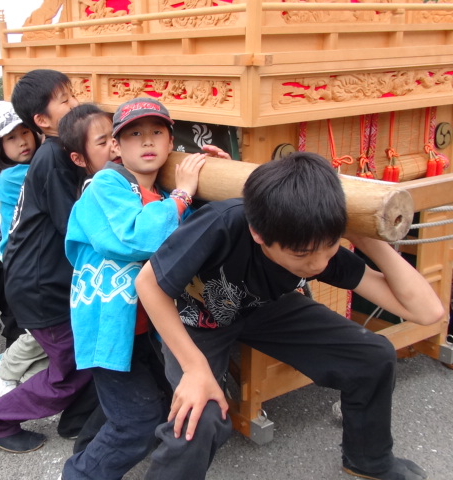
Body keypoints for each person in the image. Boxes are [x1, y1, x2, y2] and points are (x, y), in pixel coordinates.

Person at [134, 152, 445, 480]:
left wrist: (363, 235)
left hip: (263, 309)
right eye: (302, 255)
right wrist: (195, 370)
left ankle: (369, 461)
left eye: (329, 247)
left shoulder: (314, 240)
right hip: (198, 320)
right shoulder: (223, 222)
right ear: (258, 233)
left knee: (373, 355)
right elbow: (149, 284)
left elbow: (427, 311)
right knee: (200, 417)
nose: (318, 265)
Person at [61, 98, 209, 479]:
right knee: (137, 423)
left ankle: (86, 456)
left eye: (157, 132)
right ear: (116, 146)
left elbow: (193, 235)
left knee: (138, 407)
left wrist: (211, 173)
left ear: (170, 141)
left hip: (144, 326)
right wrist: (184, 193)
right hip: (110, 324)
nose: (147, 141)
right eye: (134, 134)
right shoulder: (105, 184)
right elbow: (136, 236)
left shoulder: (160, 194)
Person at [0, 69, 94, 454]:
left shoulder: (56, 152)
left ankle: (76, 420)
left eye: (72, 93)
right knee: (69, 370)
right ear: (42, 120)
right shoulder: (54, 158)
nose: (75, 103)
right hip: (42, 288)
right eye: (64, 99)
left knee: (82, 358)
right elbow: (73, 227)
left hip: (41, 281)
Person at [0, 101, 49, 396]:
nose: (22, 142)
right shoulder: (12, 176)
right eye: (11, 138)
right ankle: (7, 365)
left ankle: (30, 375)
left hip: (41, 256)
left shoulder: (36, 165)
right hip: (25, 261)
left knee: (55, 328)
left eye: (24, 132)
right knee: (44, 327)